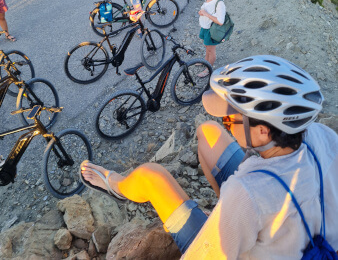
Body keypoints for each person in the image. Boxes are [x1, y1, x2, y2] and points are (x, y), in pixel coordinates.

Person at [80, 55, 338, 258]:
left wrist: (233, 211)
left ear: (262, 131)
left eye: (231, 117)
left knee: (151, 176)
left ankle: (114, 185)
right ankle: (229, 217)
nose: (224, 121)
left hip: (246, 229)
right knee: (208, 132)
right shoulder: (324, 136)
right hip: (306, 240)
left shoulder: (246, 194)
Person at [198, 0, 225, 77]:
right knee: (206, 46)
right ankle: (205, 61)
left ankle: (208, 69)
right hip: (205, 26)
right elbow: (206, 9)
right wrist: (202, 12)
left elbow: (220, 21)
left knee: (211, 50)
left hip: (211, 30)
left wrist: (206, 14)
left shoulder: (220, 3)